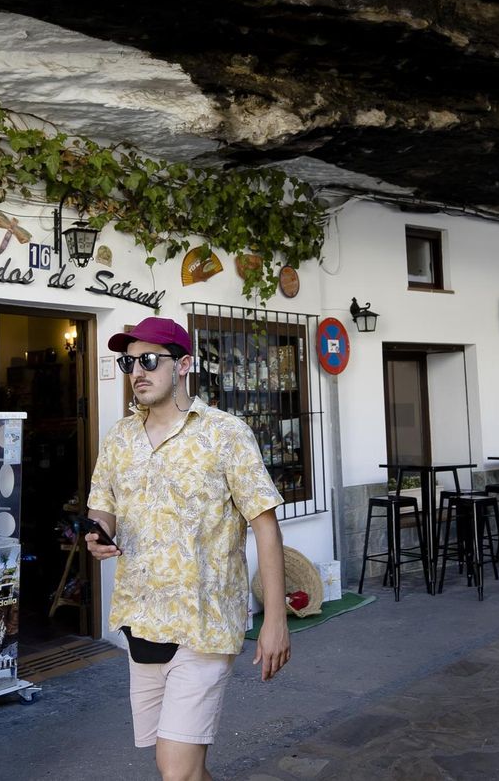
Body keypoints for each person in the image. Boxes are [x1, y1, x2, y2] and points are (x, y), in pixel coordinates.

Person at [85, 316, 291, 781]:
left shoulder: (225, 433)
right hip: (141, 620)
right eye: (129, 362)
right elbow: (104, 507)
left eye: (149, 360)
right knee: (186, 769)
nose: (137, 371)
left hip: (204, 623)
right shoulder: (119, 437)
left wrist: (275, 619)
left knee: (174, 769)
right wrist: (97, 534)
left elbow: (264, 524)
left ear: (183, 365)